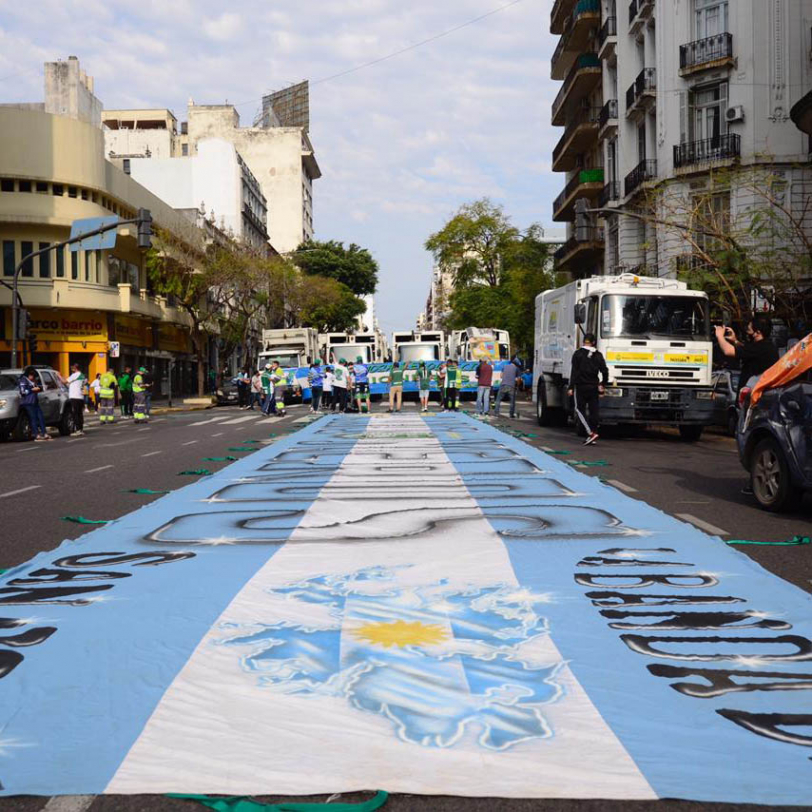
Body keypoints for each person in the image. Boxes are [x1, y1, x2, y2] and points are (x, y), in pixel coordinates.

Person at [715, 316, 779, 393]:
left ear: (757, 332)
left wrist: (719, 336)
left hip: (753, 396)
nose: (747, 333)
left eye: (749, 330)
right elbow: (747, 350)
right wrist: (735, 341)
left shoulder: (760, 347)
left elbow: (728, 351)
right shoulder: (767, 346)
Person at [568, 332, 609, 446]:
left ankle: (590, 433)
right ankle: (593, 433)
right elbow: (605, 371)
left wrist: (571, 387)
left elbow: (574, 372)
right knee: (594, 411)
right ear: (594, 343)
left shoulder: (578, 354)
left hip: (581, 386)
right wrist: (603, 384)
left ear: (583, 341)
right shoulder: (598, 355)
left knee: (579, 410)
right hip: (594, 387)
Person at [18, 367, 49, 441]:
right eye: (31, 375)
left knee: (40, 417)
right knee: (33, 418)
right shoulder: (23, 380)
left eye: (33, 376)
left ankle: (44, 433)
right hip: (28, 402)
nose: (32, 377)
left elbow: (37, 387)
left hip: (35, 401)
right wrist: (32, 390)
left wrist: (39, 388)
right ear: (28, 374)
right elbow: (22, 392)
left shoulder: (33, 380)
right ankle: (36, 434)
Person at [66, 363, 86, 436]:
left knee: (75, 414)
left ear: (75, 368)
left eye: (72, 368)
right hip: (80, 396)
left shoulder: (75, 375)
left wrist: (58, 375)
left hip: (75, 396)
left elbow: (64, 381)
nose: (71, 369)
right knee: (79, 414)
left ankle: (77, 430)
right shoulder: (82, 375)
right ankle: (80, 429)